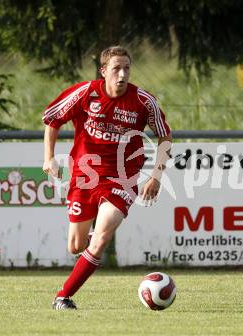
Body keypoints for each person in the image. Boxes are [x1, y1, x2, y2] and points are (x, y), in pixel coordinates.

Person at [43, 46, 172, 310]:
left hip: (122, 179)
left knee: (101, 238)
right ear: (103, 71)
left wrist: (156, 176)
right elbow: (52, 119)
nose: (122, 74)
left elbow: (165, 136)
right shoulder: (86, 92)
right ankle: (90, 243)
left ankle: (63, 297)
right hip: (84, 176)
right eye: (116, 68)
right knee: (76, 245)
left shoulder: (143, 101)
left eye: (127, 68)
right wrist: (49, 157)